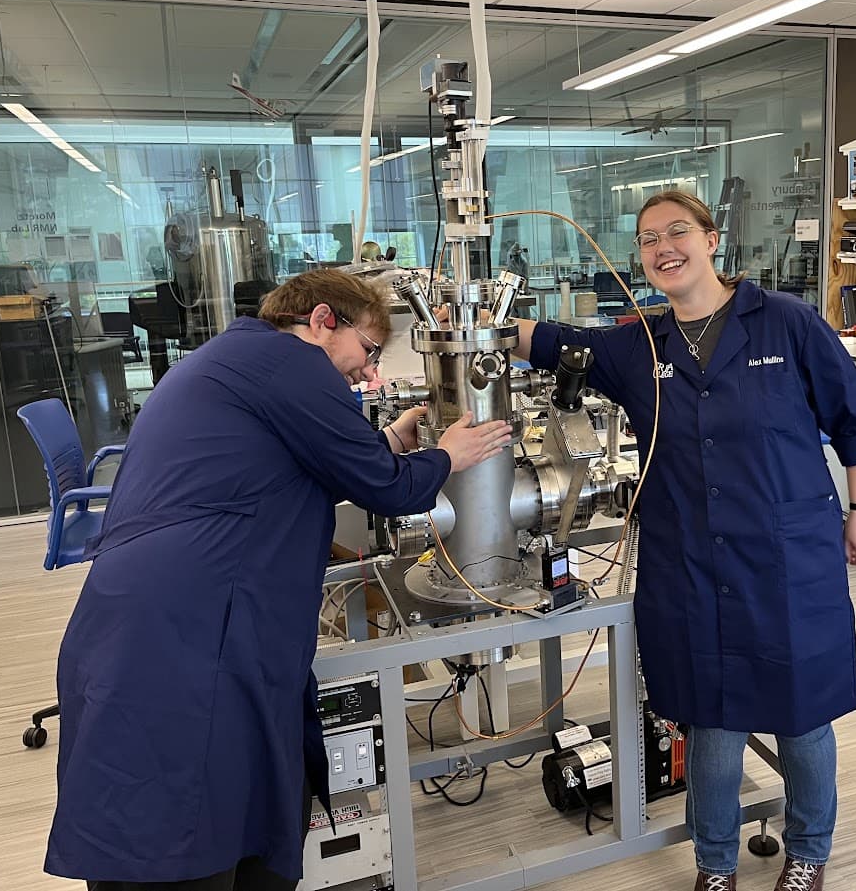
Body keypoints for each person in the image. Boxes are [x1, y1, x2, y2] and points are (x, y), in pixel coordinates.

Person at [44, 268, 512, 891]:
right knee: (184, 823)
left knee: (230, 799)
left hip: (162, 610)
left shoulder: (242, 357)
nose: (370, 374)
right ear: (321, 321)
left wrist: (389, 443)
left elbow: (298, 458)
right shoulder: (292, 367)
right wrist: (447, 455)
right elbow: (387, 489)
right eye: (369, 353)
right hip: (189, 623)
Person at [511, 190, 856, 891]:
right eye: (649, 239)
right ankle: (714, 863)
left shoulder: (785, 322)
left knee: (801, 716)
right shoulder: (636, 344)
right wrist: (480, 321)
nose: (663, 248)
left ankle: (808, 850)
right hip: (687, 559)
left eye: (676, 231)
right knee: (709, 720)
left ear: (712, 239)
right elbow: (550, 341)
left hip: (785, 555)